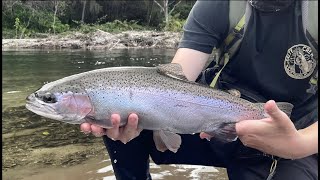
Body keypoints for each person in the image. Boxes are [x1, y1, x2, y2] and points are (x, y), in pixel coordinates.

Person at [80, 0, 318, 179]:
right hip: (218, 123)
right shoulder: (219, 4)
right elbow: (176, 78)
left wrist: (298, 145)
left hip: (301, 133)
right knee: (122, 113)